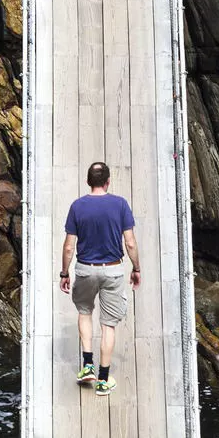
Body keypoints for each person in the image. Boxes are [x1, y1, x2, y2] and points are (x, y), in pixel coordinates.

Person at [57, 161, 141, 397]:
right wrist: (136, 268)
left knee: (84, 312)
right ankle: (103, 381)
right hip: (113, 270)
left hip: (85, 269)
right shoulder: (120, 205)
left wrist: (64, 273)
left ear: (87, 181)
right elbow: (131, 242)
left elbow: (68, 247)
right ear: (108, 182)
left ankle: (87, 366)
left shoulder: (77, 206)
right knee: (108, 325)